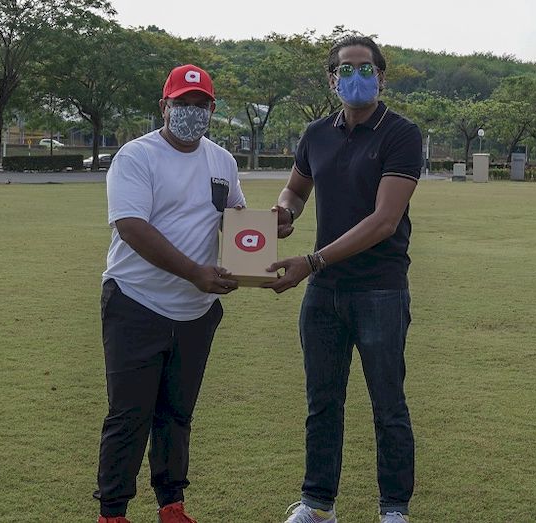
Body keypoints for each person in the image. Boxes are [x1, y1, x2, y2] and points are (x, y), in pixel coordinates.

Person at [265, 36, 422, 523]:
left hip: (379, 289)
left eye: (365, 67)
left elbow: (384, 221)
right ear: (332, 79)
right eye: (345, 69)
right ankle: (317, 505)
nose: (356, 76)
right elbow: (295, 188)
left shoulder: (401, 134)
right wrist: (284, 213)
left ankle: (393, 510)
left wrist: (311, 262)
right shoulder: (317, 133)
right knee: (322, 404)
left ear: (381, 75)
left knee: (388, 404)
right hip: (325, 294)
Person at [94, 65, 245, 523]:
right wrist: (194, 272)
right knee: (129, 414)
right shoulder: (137, 156)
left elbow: (233, 218)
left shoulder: (222, 160)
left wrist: (263, 233)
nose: (191, 113)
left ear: (212, 110)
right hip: (137, 301)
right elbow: (132, 226)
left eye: (201, 106)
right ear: (165, 106)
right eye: (182, 104)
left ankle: (172, 505)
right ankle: (113, 512)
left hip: (196, 312)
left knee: (177, 413)